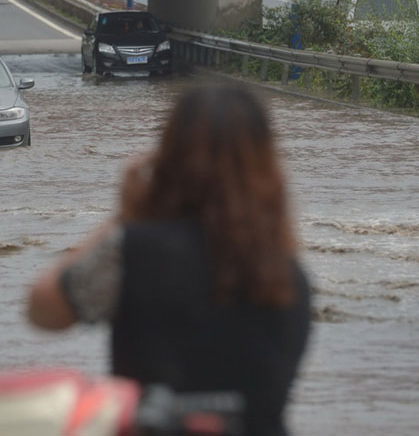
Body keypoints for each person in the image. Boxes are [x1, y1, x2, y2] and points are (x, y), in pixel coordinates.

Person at [28, 84, 311, 436]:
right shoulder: (289, 275)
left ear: (168, 156)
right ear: (266, 166)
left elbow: (42, 310)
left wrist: (125, 217)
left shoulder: (133, 252)